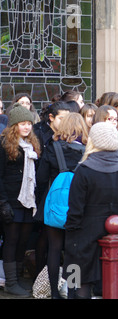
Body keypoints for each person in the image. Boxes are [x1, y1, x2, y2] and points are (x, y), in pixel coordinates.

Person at [63, 122, 118, 299]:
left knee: (77, 280)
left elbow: (75, 208)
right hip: (116, 234)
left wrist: (70, 233)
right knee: (111, 283)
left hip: (83, 233)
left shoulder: (84, 169)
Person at [35, 113, 88, 299]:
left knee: (54, 248)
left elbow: (41, 179)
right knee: (74, 250)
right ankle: (73, 290)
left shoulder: (53, 147)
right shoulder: (87, 151)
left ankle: (54, 293)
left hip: (55, 206)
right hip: (79, 208)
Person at [0, 105, 41, 296]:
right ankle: (11, 282)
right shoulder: (4, 144)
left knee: (23, 241)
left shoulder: (32, 145)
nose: (26, 127)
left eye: (29, 124)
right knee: (12, 240)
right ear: (14, 125)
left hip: (28, 200)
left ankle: (15, 279)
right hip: (11, 199)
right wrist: (3, 203)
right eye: (22, 124)